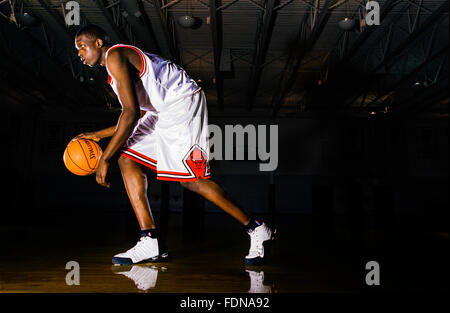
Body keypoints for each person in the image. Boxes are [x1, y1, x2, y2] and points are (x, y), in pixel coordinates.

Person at [73, 25, 274, 266]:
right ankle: (150, 239)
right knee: (127, 158)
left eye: (81, 47)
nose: (79, 54)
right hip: (161, 110)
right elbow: (135, 114)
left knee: (192, 180)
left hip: (181, 104)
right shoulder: (114, 66)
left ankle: (256, 228)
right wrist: (97, 135)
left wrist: (104, 158)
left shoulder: (115, 55)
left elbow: (130, 114)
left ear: (98, 43)